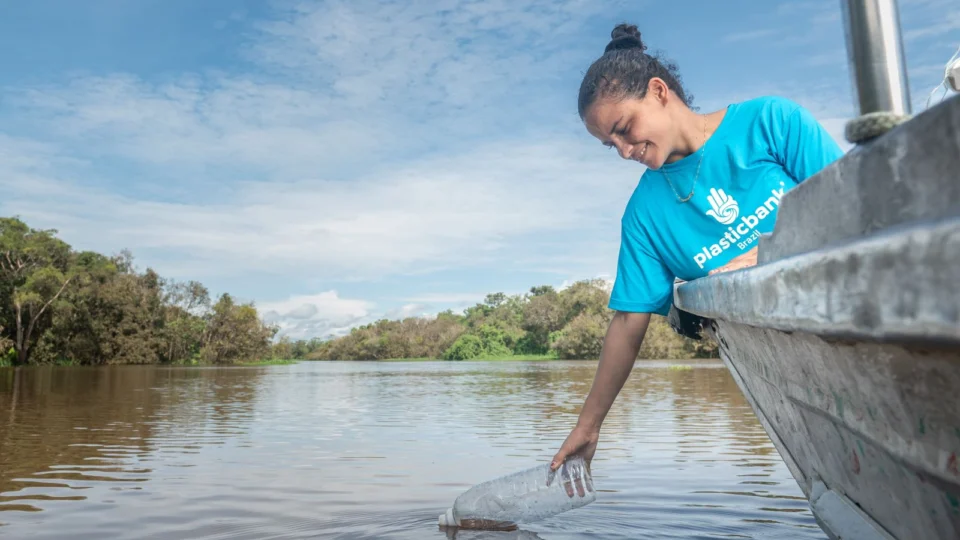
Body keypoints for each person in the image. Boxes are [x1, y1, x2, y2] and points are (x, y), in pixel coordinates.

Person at [549, 23, 844, 472]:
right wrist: (589, 425)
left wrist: (769, 253)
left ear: (659, 91)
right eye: (611, 145)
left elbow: (853, 208)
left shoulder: (770, 122)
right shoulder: (644, 215)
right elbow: (629, 320)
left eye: (624, 129)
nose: (625, 151)